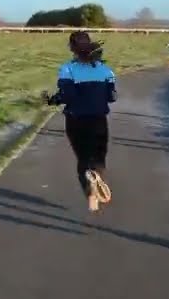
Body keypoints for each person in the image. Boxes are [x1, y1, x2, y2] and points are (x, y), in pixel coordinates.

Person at [46, 31, 116, 211]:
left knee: (83, 157)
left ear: (72, 48)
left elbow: (66, 95)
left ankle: (90, 192)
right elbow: (111, 97)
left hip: (75, 119)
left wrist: (52, 100)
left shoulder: (67, 69)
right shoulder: (105, 70)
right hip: (99, 119)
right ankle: (98, 177)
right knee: (99, 156)